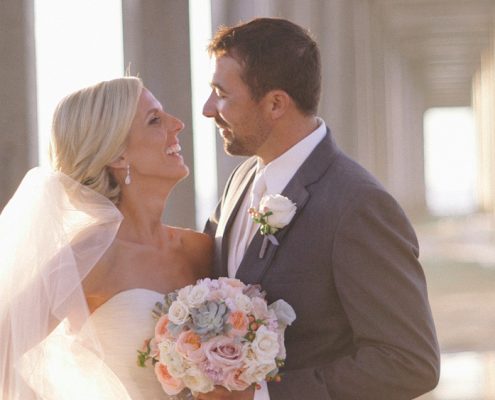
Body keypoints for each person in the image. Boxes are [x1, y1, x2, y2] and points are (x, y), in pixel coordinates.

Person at [203, 17, 440, 400]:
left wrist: (262, 397)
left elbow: (409, 361)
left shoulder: (360, 205)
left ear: (276, 103)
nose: (208, 109)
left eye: (221, 93)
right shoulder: (240, 181)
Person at [0, 77, 211, 399]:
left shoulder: (200, 249)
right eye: (155, 120)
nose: (178, 125)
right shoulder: (86, 257)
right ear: (118, 156)